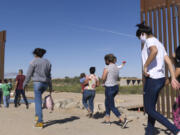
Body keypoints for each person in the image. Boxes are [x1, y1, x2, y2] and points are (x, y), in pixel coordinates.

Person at [136, 22, 180, 135]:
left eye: (139, 37)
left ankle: (176, 130)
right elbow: (169, 62)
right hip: (160, 79)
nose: (140, 40)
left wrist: (145, 66)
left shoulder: (149, 40)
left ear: (142, 34)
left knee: (149, 109)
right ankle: (150, 131)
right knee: (152, 107)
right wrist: (173, 78)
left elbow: (154, 51)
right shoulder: (160, 43)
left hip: (152, 79)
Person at [23, 48, 52, 128]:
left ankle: (39, 122)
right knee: (37, 101)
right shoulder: (48, 62)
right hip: (45, 84)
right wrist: (50, 86)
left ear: (35, 54)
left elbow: (28, 74)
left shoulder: (33, 62)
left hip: (37, 84)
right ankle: (36, 118)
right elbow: (49, 76)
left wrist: (24, 84)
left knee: (38, 102)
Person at [102, 54, 128, 128]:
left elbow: (103, 77)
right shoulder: (116, 67)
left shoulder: (107, 67)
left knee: (111, 105)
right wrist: (123, 64)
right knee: (107, 102)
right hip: (116, 87)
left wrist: (103, 82)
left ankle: (122, 120)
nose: (105, 62)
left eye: (105, 60)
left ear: (107, 60)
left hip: (109, 87)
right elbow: (121, 66)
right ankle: (107, 120)